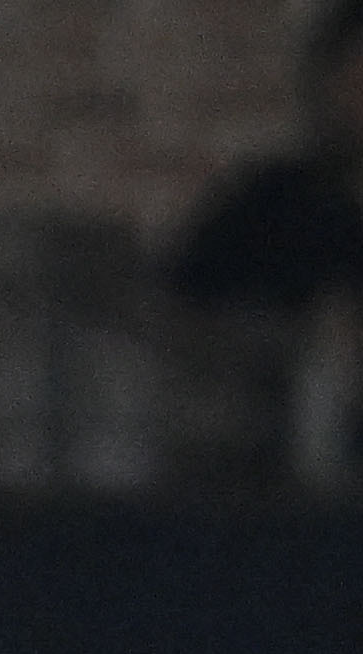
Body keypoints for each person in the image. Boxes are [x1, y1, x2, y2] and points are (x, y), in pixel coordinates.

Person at [171, 0, 363, 487]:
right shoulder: (272, 201)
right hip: (271, 473)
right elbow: (181, 300)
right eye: (353, 73)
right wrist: (297, 338)